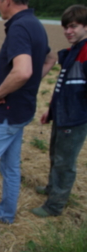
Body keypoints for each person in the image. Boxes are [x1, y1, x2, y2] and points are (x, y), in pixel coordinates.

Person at [0, 0, 57, 248]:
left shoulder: (19, 27)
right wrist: (29, 88)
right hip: (22, 111)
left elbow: (22, 71)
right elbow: (50, 58)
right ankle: (7, 215)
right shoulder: (35, 24)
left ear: (7, 1)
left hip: (6, 113)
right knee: (10, 165)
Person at [31, 4, 87, 218]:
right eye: (65, 27)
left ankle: (54, 206)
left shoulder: (86, 52)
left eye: (73, 26)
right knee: (56, 155)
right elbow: (63, 86)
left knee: (65, 163)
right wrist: (52, 111)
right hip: (62, 116)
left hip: (75, 119)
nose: (68, 31)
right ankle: (52, 188)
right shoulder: (75, 51)